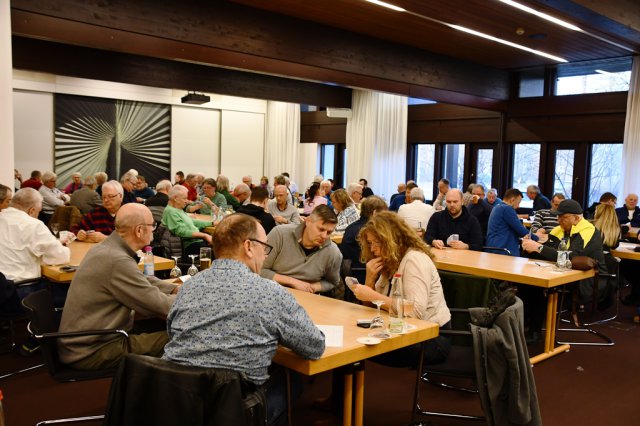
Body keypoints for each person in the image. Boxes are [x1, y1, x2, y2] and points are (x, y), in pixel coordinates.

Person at [163, 213, 324, 425]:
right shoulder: (270, 292)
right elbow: (314, 346)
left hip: (176, 403)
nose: (265, 256)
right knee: (291, 379)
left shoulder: (188, 287)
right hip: (236, 411)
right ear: (248, 247)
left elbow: (172, 332)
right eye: (264, 247)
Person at [58, 203, 179, 370]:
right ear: (139, 230)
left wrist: (173, 289)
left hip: (87, 340)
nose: (154, 229)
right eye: (152, 225)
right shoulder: (117, 260)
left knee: (167, 327)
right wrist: (194, 299)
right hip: (92, 350)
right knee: (186, 337)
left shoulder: (107, 248)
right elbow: (161, 306)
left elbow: (138, 279)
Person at [351, 211, 451, 366]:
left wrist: (372, 295)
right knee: (355, 338)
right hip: (400, 330)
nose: (373, 249)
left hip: (430, 339)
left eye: (377, 243)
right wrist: (369, 279)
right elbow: (372, 310)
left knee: (358, 347)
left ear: (391, 240)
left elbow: (415, 312)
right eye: (370, 243)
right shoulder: (391, 260)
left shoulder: (414, 260)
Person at [521, 199, 606, 308]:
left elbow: (571, 257)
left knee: (536, 289)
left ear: (576, 218)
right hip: (562, 273)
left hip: (586, 279)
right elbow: (547, 253)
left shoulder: (588, 231)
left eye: (563, 217)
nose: (558, 220)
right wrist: (530, 248)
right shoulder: (559, 230)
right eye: (558, 216)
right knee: (527, 283)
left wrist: (539, 247)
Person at [261, 205, 342, 295]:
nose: (324, 236)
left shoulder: (333, 252)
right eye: (321, 229)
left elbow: (332, 282)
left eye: (329, 232)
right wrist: (293, 282)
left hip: (307, 297)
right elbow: (259, 269)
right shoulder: (279, 234)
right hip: (271, 292)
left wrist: (312, 287)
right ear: (308, 221)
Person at [0, 188, 70, 291]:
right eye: (39, 212)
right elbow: (60, 256)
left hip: (3, 287)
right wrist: (59, 247)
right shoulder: (34, 224)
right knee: (66, 289)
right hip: (22, 288)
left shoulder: (2, 216)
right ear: (32, 211)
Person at [339, 196, 387, 284]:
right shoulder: (372, 232)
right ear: (375, 213)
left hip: (351, 276)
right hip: (367, 275)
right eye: (383, 214)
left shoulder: (350, 228)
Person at [486, 188, 540, 256]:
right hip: (503, 250)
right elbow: (521, 230)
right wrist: (538, 238)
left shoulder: (498, 206)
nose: (518, 206)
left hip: (494, 247)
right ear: (512, 200)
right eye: (518, 202)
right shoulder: (507, 209)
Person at [162, 185, 213, 256]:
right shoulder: (171, 212)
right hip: (189, 245)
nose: (187, 201)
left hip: (196, 242)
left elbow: (192, 221)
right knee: (220, 249)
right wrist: (205, 235)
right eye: (185, 198)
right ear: (175, 198)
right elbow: (182, 232)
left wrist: (212, 223)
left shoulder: (177, 209)